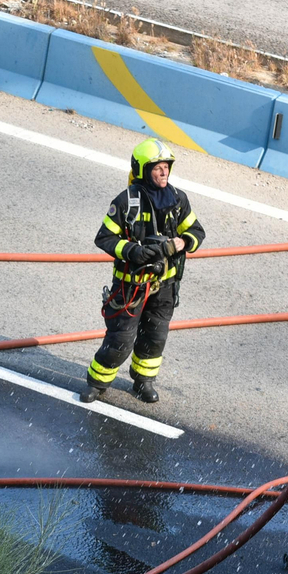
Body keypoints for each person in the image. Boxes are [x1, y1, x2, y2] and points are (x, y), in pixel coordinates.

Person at [82, 139, 206, 404]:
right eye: (157, 168)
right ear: (142, 170)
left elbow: (197, 232)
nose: (164, 173)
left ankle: (143, 381)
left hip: (165, 287)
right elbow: (104, 238)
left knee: (155, 337)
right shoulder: (127, 202)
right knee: (120, 339)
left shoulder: (177, 199)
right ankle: (97, 383)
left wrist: (181, 243)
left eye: (166, 167)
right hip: (131, 288)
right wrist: (133, 252)